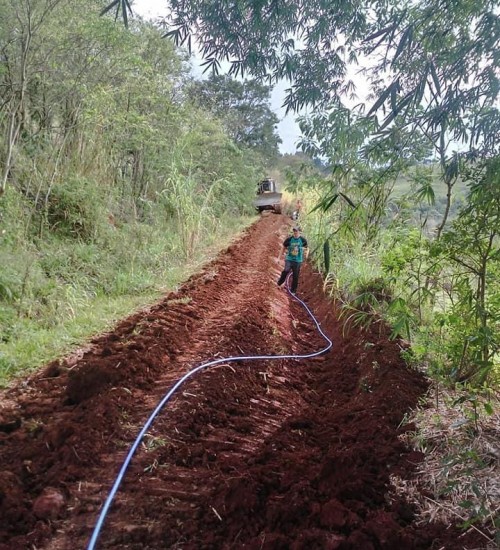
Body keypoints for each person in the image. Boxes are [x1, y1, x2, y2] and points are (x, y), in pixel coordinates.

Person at [277, 226, 309, 294]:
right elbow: (283, 247)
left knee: (295, 275)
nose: (295, 232)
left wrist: (305, 254)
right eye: (294, 231)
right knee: (286, 270)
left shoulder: (303, 240)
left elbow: (307, 248)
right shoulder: (289, 239)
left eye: (296, 231)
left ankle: (293, 291)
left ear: (299, 232)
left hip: (298, 260)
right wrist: (279, 258)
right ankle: (279, 283)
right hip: (289, 258)